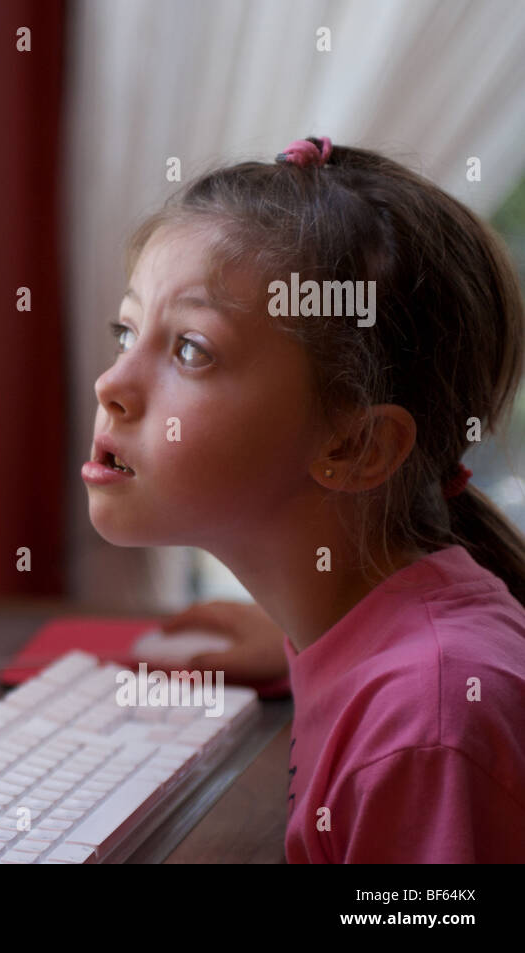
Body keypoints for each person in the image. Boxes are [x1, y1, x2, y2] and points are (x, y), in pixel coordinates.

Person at [84, 136, 525, 862]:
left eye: (191, 349)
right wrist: (298, 641)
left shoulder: (429, 720)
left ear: (356, 447)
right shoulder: (363, 626)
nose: (111, 384)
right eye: (126, 330)